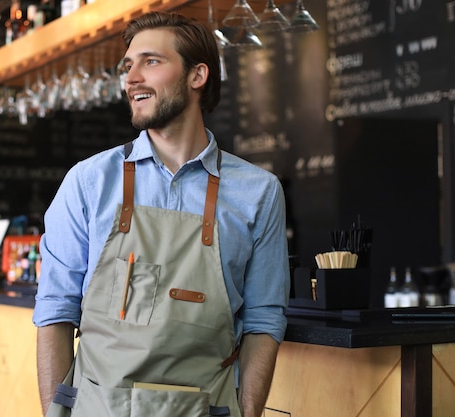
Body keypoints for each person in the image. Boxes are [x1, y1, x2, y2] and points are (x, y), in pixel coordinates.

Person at [33, 11, 290, 417]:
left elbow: (264, 320)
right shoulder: (88, 182)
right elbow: (55, 311)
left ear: (197, 76)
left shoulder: (259, 192)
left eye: (151, 61)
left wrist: (249, 413)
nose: (132, 77)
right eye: (128, 65)